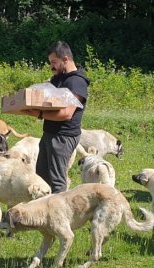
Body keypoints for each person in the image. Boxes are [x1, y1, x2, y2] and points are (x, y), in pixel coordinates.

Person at [21, 41, 90, 193]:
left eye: (54, 62)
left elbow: (67, 114)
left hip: (63, 137)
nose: (51, 66)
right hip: (50, 134)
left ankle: (60, 215)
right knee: (41, 180)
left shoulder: (77, 82)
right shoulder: (59, 78)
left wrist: (38, 114)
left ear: (65, 59)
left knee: (57, 182)